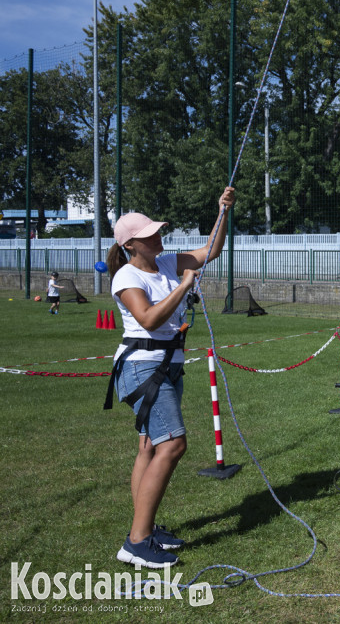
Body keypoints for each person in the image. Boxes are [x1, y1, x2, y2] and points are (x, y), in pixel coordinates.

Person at [104, 187, 235, 568]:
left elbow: (210, 252)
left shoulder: (163, 263)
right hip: (141, 369)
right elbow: (148, 318)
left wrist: (223, 212)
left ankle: (145, 527)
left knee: (149, 446)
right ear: (131, 245)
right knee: (173, 445)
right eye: (150, 235)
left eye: (158, 232)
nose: (159, 237)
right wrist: (183, 286)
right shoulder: (126, 278)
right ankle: (137, 541)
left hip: (166, 366)